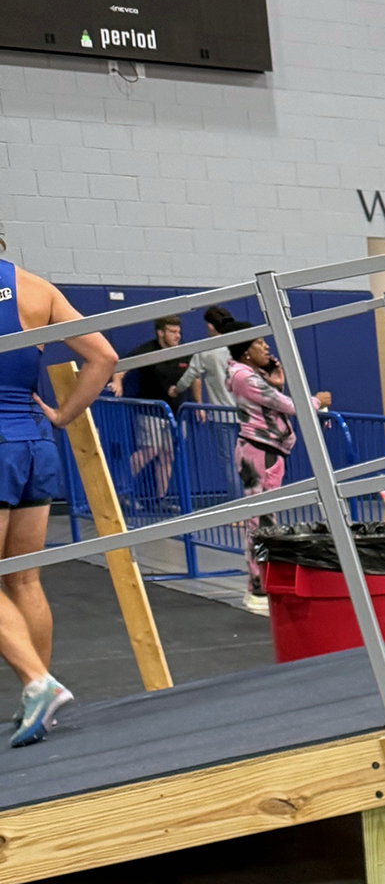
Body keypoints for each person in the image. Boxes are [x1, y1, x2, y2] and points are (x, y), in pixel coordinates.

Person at [1, 241, 117, 746]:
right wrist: (64, 415)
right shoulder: (36, 287)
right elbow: (104, 356)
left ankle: (37, 682)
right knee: (24, 581)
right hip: (35, 440)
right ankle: (37, 697)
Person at [224, 324, 330, 610]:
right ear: (246, 352)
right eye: (260, 343)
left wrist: (276, 382)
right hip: (259, 453)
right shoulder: (245, 377)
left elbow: (270, 400)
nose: (266, 347)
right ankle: (257, 589)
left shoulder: (246, 375)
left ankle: (260, 585)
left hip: (265, 451)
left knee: (263, 520)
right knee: (261, 522)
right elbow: (286, 405)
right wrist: (317, 401)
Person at [115, 315, 190, 502]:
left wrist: (200, 405)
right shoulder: (147, 350)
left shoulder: (183, 352)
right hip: (151, 413)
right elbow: (120, 367)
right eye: (172, 332)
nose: (177, 336)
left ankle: (160, 498)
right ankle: (118, 489)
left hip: (174, 413)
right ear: (160, 333)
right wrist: (117, 383)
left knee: (168, 456)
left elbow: (194, 377)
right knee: (150, 451)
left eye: (178, 331)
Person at [178, 306, 236, 409]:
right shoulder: (241, 345)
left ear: (210, 326)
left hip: (221, 414)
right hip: (247, 415)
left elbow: (190, 375)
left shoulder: (206, 351)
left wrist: (176, 390)